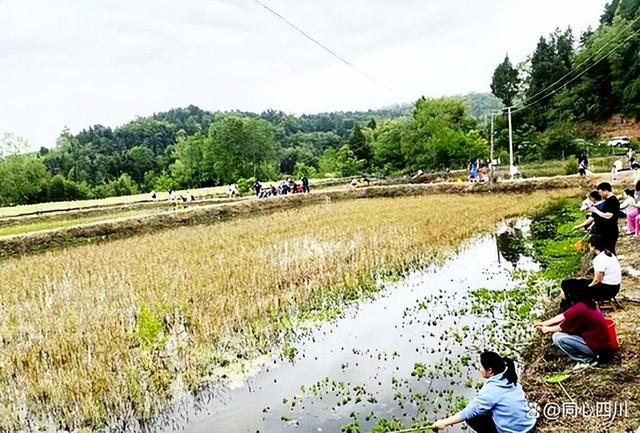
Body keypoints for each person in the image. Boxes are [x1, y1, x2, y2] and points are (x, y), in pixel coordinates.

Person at [431, 351, 536, 433]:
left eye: (480, 366)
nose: (478, 368)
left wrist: (443, 423)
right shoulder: (509, 379)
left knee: (472, 418)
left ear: (489, 370)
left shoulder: (491, 391)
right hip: (529, 425)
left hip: (516, 431)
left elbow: (469, 412)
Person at [536, 287, 612, 370]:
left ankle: (587, 360)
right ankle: (588, 357)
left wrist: (547, 329)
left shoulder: (579, 309)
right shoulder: (583, 303)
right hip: (602, 344)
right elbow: (563, 316)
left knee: (557, 337)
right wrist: (544, 323)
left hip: (598, 348)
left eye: (562, 291)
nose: (560, 293)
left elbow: (561, 327)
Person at [560, 235, 621, 309]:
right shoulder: (609, 254)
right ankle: (566, 301)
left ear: (593, 246)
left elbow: (597, 280)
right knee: (569, 283)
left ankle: (567, 305)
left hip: (606, 290)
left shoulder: (599, 259)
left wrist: (586, 286)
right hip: (615, 287)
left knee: (571, 286)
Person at [588, 182, 620, 254]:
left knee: (610, 250)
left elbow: (608, 216)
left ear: (606, 190)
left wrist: (595, 210)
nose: (599, 194)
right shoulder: (608, 200)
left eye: (600, 192)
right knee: (606, 249)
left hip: (610, 231)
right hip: (605, 231)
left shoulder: (612, 200)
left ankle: (613, 264)